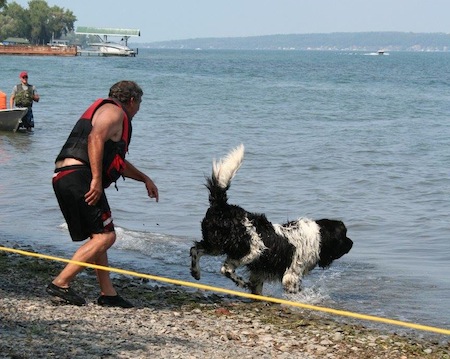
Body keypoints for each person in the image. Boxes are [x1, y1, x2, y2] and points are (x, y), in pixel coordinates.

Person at [48, 80, 159, 308]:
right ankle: (61, 282)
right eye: (139, 104)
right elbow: (95, 138)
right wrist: (97, 180)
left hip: (65, 175)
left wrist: (144, 178)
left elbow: (117, 161)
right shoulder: (114, 112)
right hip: (80, 176)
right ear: (131, 100)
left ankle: (108, 293)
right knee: (106, 237)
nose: (138, 110)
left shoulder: (108, 111)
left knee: (99, 234)